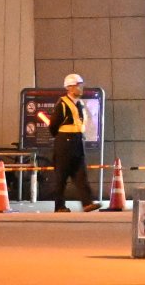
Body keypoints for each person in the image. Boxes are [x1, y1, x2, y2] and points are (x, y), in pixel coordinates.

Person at [52, 73, 98, 211]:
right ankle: (59, 206)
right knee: (61, 176)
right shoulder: (62, 104)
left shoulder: (79, 104)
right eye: (78, 85)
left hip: (77, 141)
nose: (81, 88)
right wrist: (61, 137)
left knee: (81, 174)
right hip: (64, 142)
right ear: (70, 87)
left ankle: (87, 203)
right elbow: (53, 125)